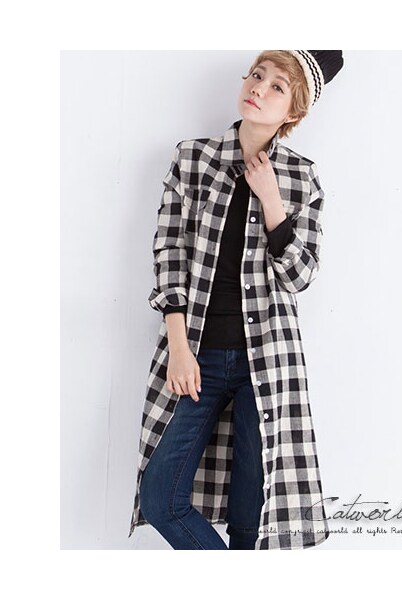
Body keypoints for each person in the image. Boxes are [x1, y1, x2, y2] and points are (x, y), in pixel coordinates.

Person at [130, 50, 344, 550]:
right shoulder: (193, 159)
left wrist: (271, 200)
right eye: (257, 75)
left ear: (293, 111)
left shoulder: (301, 178)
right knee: (161, 498)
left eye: (277, 87)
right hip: (197, 354)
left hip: (266, 362)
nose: (258, 88)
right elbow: (169, 252)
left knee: (252, 517)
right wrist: (179, 347)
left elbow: (300, 276)